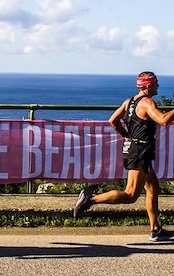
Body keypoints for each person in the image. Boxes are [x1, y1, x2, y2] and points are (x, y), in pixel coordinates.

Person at [74, 71, 174, 241]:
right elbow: (163, 120)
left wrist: (127, 135)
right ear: (148, 85)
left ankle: (155, 229)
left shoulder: (129, 102)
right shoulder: (148, 103)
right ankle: (90, 199)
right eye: (156, 83)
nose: (158, 86)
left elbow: (113, 120)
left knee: (152, 188)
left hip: (137, 149)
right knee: (130, 195)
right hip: (140, 152)